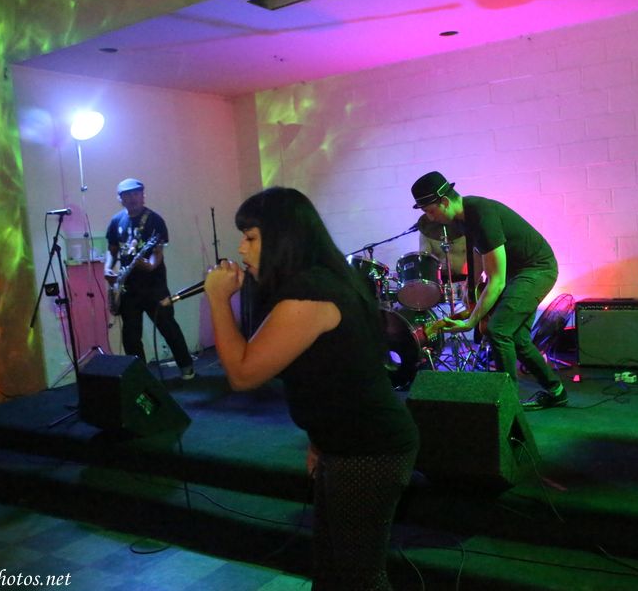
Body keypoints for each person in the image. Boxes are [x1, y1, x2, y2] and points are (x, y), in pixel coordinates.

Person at [204, 187, 418, 590]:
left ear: (282, 237)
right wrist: (320, 440)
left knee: (358, 576)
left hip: (369, 448)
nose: (241, 249)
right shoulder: (321, 281)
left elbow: (243, 374)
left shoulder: (311, 294)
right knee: (334, 568)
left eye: (250, 237)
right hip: (347, 443)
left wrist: (217, 300)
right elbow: (335, 373)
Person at [410, 171, 564, 409]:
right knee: (518, 338)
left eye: (430, 211)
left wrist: (471, 322)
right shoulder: (462, 218)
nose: (430, 218)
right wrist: (470, 289)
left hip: (537, 269)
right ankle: (556, 391)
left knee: (498, 330)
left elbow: (497, 281)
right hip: (518, 272)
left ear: (445, 202)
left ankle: (507, 404)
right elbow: (479, 253)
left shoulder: (481, 214)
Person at [104, 178, 195, 380]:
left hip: (154, 287)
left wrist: (149, 265)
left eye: (136, 193)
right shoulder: (116, 221)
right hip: (127, 289)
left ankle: (187, 367)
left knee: (168, 327)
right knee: (131, 336)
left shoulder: (155, 220)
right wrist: (108, 268)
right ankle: (141, 377)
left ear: (143, 195)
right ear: (120, 199)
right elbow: (112, 249)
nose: (132, 198)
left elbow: (157, 254)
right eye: (127, 195)